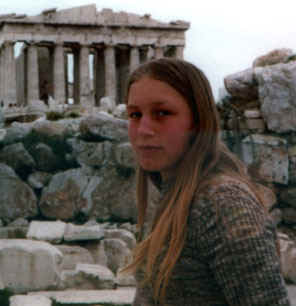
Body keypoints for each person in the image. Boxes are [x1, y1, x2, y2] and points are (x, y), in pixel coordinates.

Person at [123, 58, 290, 305]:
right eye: (135, 114)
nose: (143, 129)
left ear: (198, 121)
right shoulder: (173, 195)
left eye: (162, 113)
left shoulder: (223, 204)